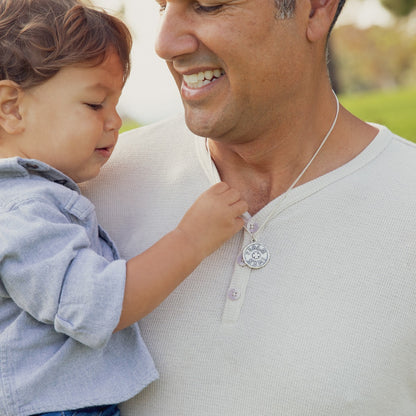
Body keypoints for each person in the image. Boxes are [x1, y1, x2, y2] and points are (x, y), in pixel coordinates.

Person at [82, 0, 416, 414]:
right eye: (163, 5)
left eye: (207, 5)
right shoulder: (78, 193)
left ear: (314, 10)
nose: (165, 43)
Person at [0, 1, 248, 415]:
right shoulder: (24, 210)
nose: (114, 121)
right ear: (11, 107)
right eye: (95, 104)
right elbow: (95, 306)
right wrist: (191, 239)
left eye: (115, 104)